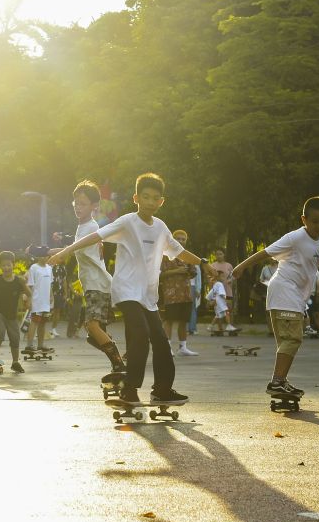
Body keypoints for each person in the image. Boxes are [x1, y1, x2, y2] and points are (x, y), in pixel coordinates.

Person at [49, 172, 204, 404]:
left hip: (148, 296)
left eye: (155, 198)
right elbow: (95, 236)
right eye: (146, 197)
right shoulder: (127, 222)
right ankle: (129, 390)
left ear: (161, 201)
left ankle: (162, 390)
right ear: (136, 198)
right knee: (139, 335)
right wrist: (64, 251)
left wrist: (205, 264)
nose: (150, 202)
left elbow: (178, 251)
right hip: (126, 291)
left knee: (161, 341)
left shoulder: (161, 227)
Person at [231, 196, 319, 397]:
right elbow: (265, 252)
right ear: (304, 220)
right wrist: (241, 267)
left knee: (287, 341)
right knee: (292, 339)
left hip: (293, 298)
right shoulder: (294, 238)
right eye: (315, 221)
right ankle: (276, 382)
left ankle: (281, 380)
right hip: (283, 291)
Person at [60, 180, 124, 373]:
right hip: (93, 285)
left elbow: (73, 249)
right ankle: (120, 361)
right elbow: (74, 248)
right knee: (93, 335)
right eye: (76, 203)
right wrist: (46, 251)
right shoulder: (83, 227)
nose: (78, 207)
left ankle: (119, 364)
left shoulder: (90, 227)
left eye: (83, 203)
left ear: (94, 206)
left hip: (98, 284)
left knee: (92, 326)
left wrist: (59, 253)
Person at [160, 228, 198, 355]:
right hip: (171, 294)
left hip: (185, 293)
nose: (181, 241)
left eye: (183, 239)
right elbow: (160, 274)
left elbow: (193, 272)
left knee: (184, 321)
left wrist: (191, 270)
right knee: (169, 320)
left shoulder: (187, 255)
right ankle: (167, 347)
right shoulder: (165, 254)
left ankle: (183, 348)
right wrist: (177, 271)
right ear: (172, 240)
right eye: (178, 238)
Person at [24, 249, 53, 354]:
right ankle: (29, 345)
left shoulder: (50, 268)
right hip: (36, 300)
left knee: (43, 323)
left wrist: (51, 296)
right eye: (42, 256)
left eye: (46, 256)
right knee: (34, 322)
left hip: (46, 301)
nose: (44, 258)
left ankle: (41, 344)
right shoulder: (34, 268)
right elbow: (30, 285)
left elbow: (50, 283)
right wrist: (29, 300)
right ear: (38, 257)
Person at [208, 249, 235, 323]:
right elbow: (210, 279)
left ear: (224, 255)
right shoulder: (212, 265)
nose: (219, 256)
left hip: (227, 290)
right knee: (219, 310)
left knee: (229, 309)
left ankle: (231, 326)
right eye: (217, 254)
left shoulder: (229, 265)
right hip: (217, 292)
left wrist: (230, 280)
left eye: (220, 254)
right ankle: (220, 329)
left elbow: (232, 276)